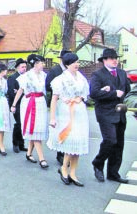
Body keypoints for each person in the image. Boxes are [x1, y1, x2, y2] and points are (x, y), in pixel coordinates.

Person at [47, 53, 89, 186]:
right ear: (67, 65)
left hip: (79, 111)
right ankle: (64, 167)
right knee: (70, 140)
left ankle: (73, 172)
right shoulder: (60, 79)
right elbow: (54, 99)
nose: (76, 65)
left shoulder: (81, 78)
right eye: (73, 63)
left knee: (79, 141)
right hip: (66, 112)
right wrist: (52, 118)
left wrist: (80, 98)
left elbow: (84, 94)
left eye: (77, 62)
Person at [90, 48, 131, 184]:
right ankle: (98, 163)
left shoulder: (122, 73)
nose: (115, 60)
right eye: (111, 58)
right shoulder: (98, 75)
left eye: (116, 58)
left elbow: (128, 91)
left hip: (120, 113)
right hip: (105, 113)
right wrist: (113, 93)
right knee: (110, 140)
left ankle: (113, 173)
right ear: (104, 60)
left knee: (118, 144)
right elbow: (94, 94)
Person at [11, 54, 49, 169]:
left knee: (37, 128)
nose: (43, 64)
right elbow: (20, 91)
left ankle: (29, 153)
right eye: (41, 63)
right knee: (35, 128)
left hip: (40, 102)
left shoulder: (43, 75)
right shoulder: (26, 76)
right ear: (35, 64)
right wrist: (13, 105)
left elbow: (45, 90)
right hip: (30, 103)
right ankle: (42, 158)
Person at [45, 50, 72, 165]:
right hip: (60, 101)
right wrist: (59, 91)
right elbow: (47, 85)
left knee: (69, 127)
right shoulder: (55, 70)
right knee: (61, 127)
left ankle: (68, 152)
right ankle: (60, 154)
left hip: (70, 103)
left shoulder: (71, 71)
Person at [7, 58, 28, 153]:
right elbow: (11, 92)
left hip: (26, 103)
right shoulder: (12, 78)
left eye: (25, 67)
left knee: (23, 124)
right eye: (22, 67)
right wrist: (19, 93)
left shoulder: (27, 77)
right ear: (17, 68)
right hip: (16, 104)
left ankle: (21, 144)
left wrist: (19, 91)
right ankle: (15, 143)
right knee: (19, 123)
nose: (24, 69)